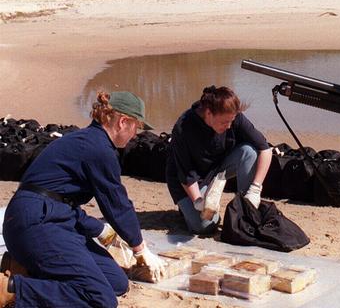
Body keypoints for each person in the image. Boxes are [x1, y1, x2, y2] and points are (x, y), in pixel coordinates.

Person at [0, 91, 166, 308]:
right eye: (138, 127)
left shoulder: (87, 140)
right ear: (123, 122)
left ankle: (25, 267)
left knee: (116, 282)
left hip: (48, 218)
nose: (136, 134)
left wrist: (100, 229)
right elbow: (117, 204)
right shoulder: (98, 148)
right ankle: (10, 288)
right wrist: (140, 248)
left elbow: (62, 199)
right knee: (101, 299)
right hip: (35, 224)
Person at [166, 85, 271, 235]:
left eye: (231, 121)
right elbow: (186, 175)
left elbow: (265, 149)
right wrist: (198, 201)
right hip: (189, 180)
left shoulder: (233, 116)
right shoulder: (183, 128)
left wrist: (256, 188)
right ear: (208, 113)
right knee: (204, 226)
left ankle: (246, 209)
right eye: (224, 123)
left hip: (217, 168)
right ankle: (188, 208)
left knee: (249, 152)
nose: (229, 126)